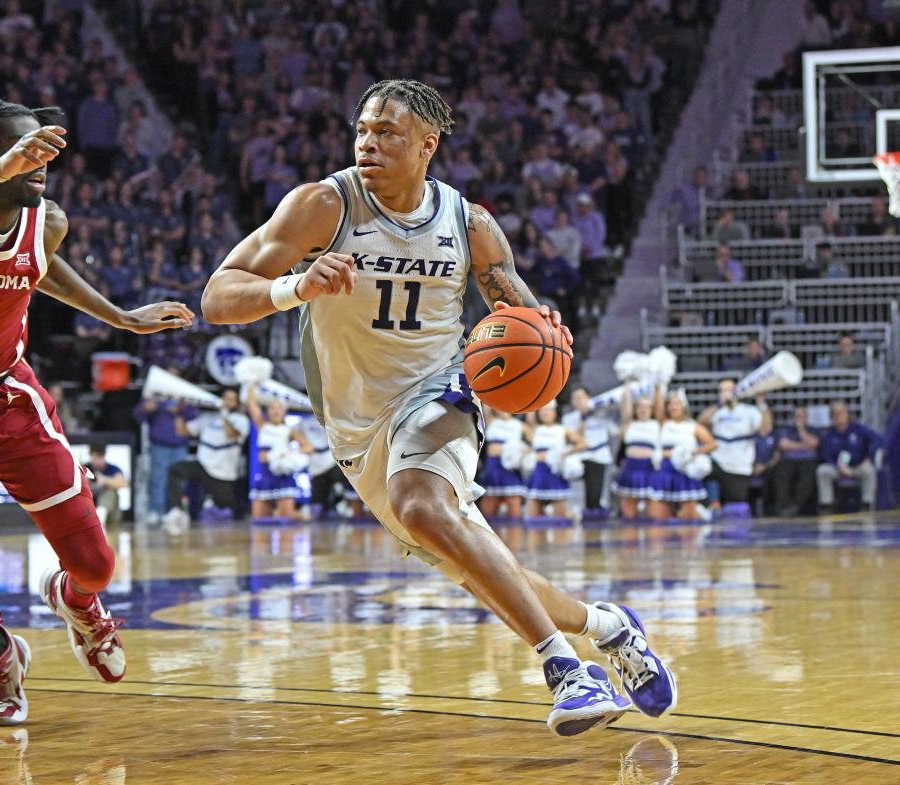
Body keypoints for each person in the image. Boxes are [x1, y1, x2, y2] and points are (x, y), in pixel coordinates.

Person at [202, 80, 675, 736]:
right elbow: (218, 296)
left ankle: (567, 670)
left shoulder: (469, 225)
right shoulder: (320, 206)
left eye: (388, 132)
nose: (369, 142)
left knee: (423, 504)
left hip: (437, 395)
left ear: (428, 145)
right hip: (355, 428)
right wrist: (293, 286)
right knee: (480, 570)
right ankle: (611, 628)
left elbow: (523, 322)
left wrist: (544, 343)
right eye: (363, 130)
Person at [0, 98, 193, 725]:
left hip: (4, 400)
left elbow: (42, 272)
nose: (41, 162)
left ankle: (75, 601)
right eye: (26, 151)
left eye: (46, 152)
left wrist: (122, 318)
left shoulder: (47, 222)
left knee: (97, 566)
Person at [162, 387, 250, 534]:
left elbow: (231, 434)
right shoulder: (208, 417)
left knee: (226, 507)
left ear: (236, 404)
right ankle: (176, 510)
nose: (227, 402)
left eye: (231, 400)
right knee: (175, 469)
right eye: (225, 398)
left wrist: (224, 415)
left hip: (222, 472)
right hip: (202, 465)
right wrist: (177, 413)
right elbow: (182, 431)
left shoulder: (241, 420)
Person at [699, 381, 772, 515]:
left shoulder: (749, 411)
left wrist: (761, 403)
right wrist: (719, 404)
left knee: (736, 503)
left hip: (739, 465)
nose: (725, 393)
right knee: (701, 466)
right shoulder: (717, 411)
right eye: (721, 391)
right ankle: (713, 504)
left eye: (728, 390)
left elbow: (765, 429)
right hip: (717, 460)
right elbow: (701, 422)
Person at [134, 374, 198, 526]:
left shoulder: (186, 394)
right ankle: (156, 510)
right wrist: (146, 408)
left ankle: (175, 510)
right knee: (158, 479)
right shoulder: (154, 394)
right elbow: (137, 416)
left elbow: (195, 415)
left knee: (179, 481)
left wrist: (182, 410)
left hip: (180, 445)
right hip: (159, 445)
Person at [649, 388, 716, 521]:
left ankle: (699, 513)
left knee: (688, 519)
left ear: (684, 406)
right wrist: (658, 385)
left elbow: (712, 444)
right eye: (670, 404)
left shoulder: (693, 426)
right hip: (665, 470)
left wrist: (692, 453)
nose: (673, 407)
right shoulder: (663, 423)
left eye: (677, 403)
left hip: (684, 471)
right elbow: (657, 406)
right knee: (658, 517)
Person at [246, 387, 311, 520]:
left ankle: (305, 516)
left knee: (287, 516)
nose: (275, 411)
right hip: (264, 475)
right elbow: (251, 405)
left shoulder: (289, 430)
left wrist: (287, 453)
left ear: (284, 411)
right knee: (259, 518)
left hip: (281, 475)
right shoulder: (262, 425)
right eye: (272, 408)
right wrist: (252, 385)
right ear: (268, 411)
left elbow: (308, 447)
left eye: (279, 408)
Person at [524, 400, 585, 519]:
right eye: (543, 410)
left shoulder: (563, 430)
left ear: (555, 412)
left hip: (555, 472)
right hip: (539, 472)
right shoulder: (534, 429)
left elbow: (582, 444)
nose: (545, 413)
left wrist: (566, 452)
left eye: (549, 410)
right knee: (533, 516)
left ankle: (572, 518)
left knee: (560, 518)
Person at [817, 401, 881, 513]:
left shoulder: (858, 429)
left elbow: (877, 440)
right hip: (838, 467)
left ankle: (867, 504)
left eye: (841, 413)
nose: (839, 416)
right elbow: (825, 454)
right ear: (831, 417)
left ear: (847, 413)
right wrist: (838, 465)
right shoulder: (828, 434)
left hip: (858, 466)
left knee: (869, 471)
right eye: (835, 414)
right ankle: (826, 504)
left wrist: (868, 458)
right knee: (822, 471)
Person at [563, 387, 615, 517]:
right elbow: (576, 439)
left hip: (599, 458)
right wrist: (583, 419)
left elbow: (616, 432)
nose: (578, 400)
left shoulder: (602, 415)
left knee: (595, 494)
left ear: (589, 398)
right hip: (579, 459)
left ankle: (595, 513)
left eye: (581, 397)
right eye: (575, 398)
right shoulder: (568, 419)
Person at [612, 385, 661, 521]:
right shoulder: (629, 424)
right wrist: (628, 388)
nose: (643, 409)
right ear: (635, 409)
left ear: (652, 409)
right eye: (640, 406)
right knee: (628, 513)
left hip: (649, 468)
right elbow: (626, 408)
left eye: (647, 407)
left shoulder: (657, 424)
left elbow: (660, 405)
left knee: (653, 512)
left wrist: (657, 385)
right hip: (630, 467)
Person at [478, 406, 527, 519]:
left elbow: (533, 443)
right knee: (488, 510)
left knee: (513, 508)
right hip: (493, 467)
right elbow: (485, 405)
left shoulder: (519, 425)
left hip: (510, 468)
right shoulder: (490, 420)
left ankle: (514, 535)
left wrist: (523, 451)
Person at [774, 406, 820, 517]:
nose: (799, 419)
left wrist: (801, 430)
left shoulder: (813, 430)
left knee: (807, 479)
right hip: (788, 460)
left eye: (802, 416)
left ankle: (795, 506)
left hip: (808, 461)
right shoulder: (786, 430)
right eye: (797, 416)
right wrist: (804, 445)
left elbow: (814, 443)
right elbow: (783, 444)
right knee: (781, 475)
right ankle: (784, 506)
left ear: (807, 417)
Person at [84, 446, 128, 527]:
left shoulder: (112, 469)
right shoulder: (85, 468)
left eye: (98, 457)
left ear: (103, 457)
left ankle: (100, 515)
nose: (95, 461)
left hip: (110, 514)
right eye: (94, 457)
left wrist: (105, 480)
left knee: (110, 492)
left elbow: (124, 484)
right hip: (89, 511)